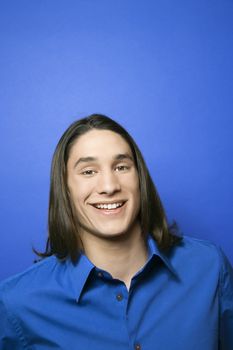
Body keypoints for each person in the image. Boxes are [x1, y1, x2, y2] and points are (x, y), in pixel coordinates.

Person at [0, 114, 232, 350]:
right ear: (65, 188)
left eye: (122, 167)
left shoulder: (210, 268)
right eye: (88, 172)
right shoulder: (17, 304)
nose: (110, 187)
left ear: (140, 179)